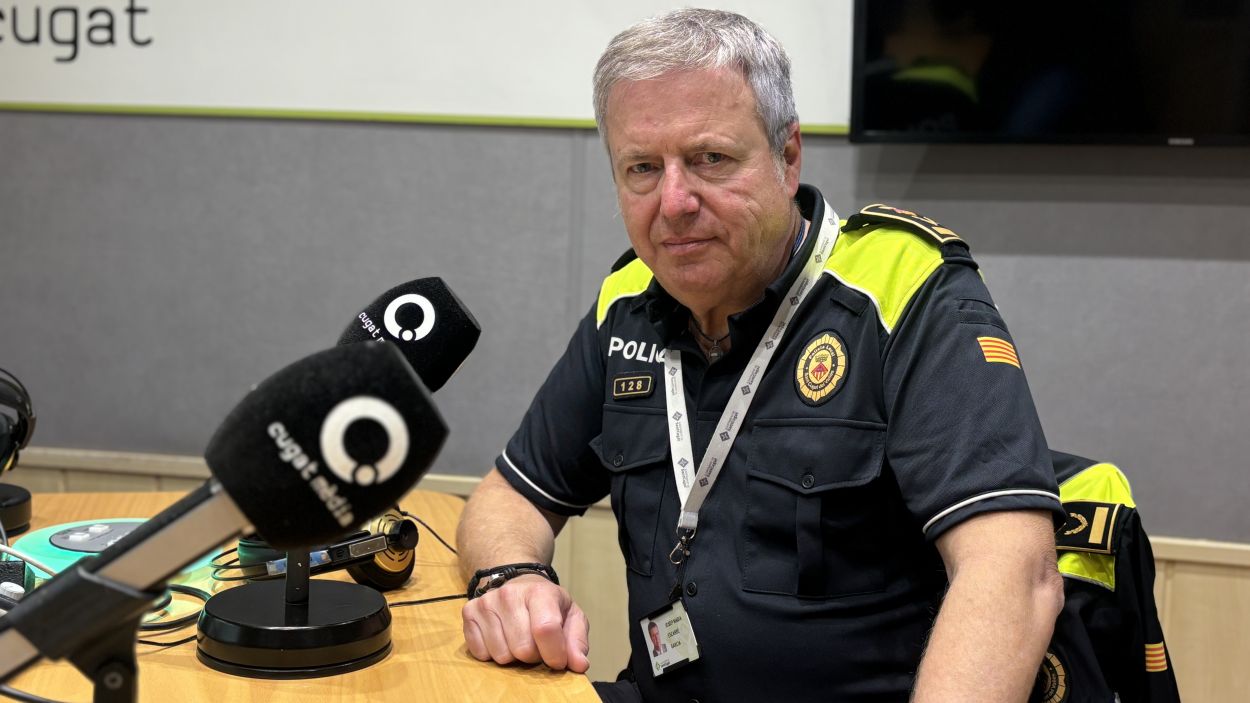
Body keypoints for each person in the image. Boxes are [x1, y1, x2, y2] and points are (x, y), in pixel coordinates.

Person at [457, 9, 1066, 702]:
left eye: (710, 159)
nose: (675, 201)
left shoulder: (906, 292)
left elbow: (1015, 574)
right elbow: (509, 495)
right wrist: (509, 577)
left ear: (788, 156)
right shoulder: (627, 300)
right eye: (642, 169)